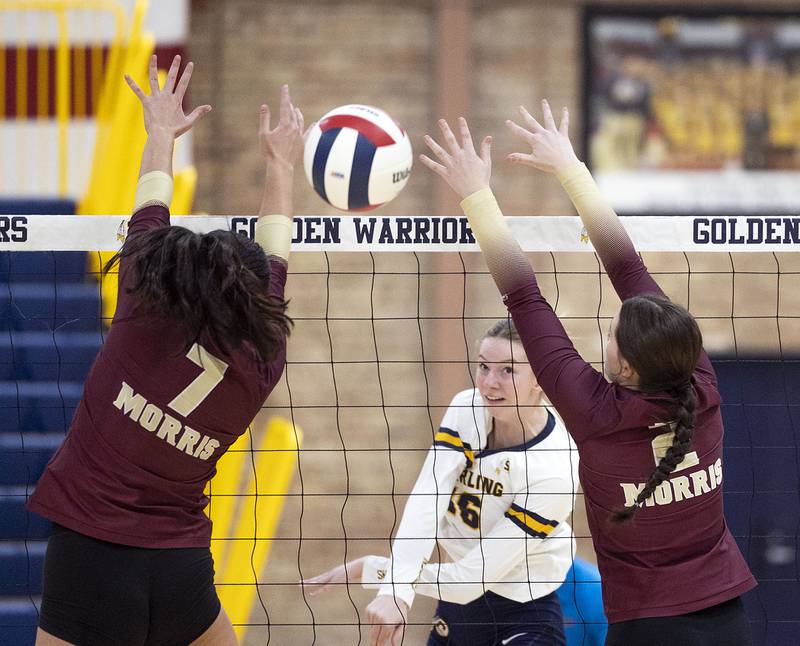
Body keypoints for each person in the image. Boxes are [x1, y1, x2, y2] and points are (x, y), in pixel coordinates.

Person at [417, 102, 756, 646]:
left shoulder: (596, 413)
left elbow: (523, 293)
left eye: (612, 327)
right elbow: (628, 266)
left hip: (646, 628)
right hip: (727, 618)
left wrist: (476, 194)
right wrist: (569, 166)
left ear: (624, 364)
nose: (608, 323)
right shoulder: (701, 380)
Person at [27, 55, 305, 645]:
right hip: (181, 573)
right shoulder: (263, 358)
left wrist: (159, 133)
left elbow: (151, 203)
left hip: (89, 558)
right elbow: (276, 255)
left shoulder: (142, 313)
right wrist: (281, 164)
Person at [303, 319, 580, 646]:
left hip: (520, 612)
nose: (489, 383)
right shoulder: (468, 408)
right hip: (454, 608)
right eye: (483, 366)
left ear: (541, 379)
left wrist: (380, 572)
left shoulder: (554, 468)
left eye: (507, 370)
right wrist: (396, 590)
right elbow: (428, 498)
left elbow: (470, 579)